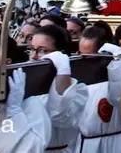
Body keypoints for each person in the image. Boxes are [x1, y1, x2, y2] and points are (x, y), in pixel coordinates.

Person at [28, 24, 89, 152]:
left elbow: (60, 117)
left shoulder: (79, 89)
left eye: (42, 50)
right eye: (32, 49)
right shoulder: (24, 80)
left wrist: (63, 70)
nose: (34, 56)